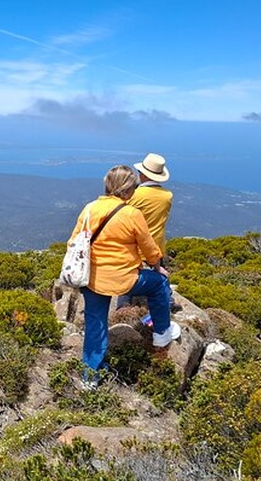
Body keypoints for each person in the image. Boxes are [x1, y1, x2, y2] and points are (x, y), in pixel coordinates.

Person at [68, 165, 181, 385]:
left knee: (95, 325)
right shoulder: (131, 214)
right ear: (128, 190)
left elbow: (73, 241)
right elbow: (149, 249)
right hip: (125, 280)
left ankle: (90, 378)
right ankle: (161, 334)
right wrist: (157, 267)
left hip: (92, 279)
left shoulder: (89, 209)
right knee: (159, 284)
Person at [116, 153, 173, 309]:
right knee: (160, 277)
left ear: (143, 174)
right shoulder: (167, 196)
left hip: (134, 247)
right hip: (157, 246)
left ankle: (123, 311)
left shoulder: (134, 195)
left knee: (128, 283)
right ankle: (167, 302)